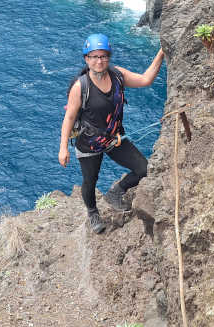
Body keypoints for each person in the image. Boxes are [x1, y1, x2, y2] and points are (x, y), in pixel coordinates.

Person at [59, 33, 165, 233]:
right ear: (86, 59)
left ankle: (116, 191)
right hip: (89, 143)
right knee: (90, 181)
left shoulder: (117, 76)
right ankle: (92, 213)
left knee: (144, 169)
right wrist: (63, 147)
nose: (99, 61)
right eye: (94, 57)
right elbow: (69, 118)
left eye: (103, 56)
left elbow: (145, 79)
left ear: (108, 57)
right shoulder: (80, 87)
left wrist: (162, 52)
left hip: (114, 139)